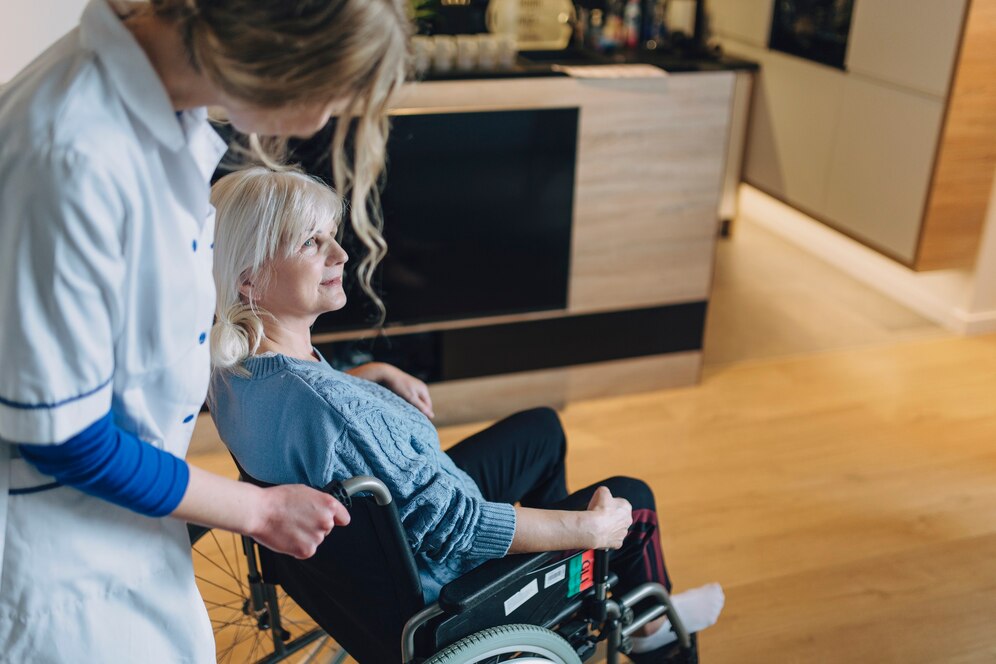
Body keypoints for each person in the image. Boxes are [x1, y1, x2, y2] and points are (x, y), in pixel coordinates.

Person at [0, 0, 410, 660]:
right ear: (282, 52)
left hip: (128, 533)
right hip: (55, 568)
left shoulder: (166, 125)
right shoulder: (72, 153)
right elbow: (66, 438)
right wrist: (260, 512)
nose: (326, 118)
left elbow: (143, 359)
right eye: (333, 92)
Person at [207, 167, 725, 662]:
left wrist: (371, 373)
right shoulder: (335, 412)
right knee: (633, 501)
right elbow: (459, 529)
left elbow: (309, 421)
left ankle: (562, 599)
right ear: (250, 280)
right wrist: (589, 531)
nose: (340, 253)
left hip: (374, 560)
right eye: (311, 243)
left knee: (540, 431)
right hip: (445, 582)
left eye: (331, 236)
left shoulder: (234, 367)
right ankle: (657, 637)